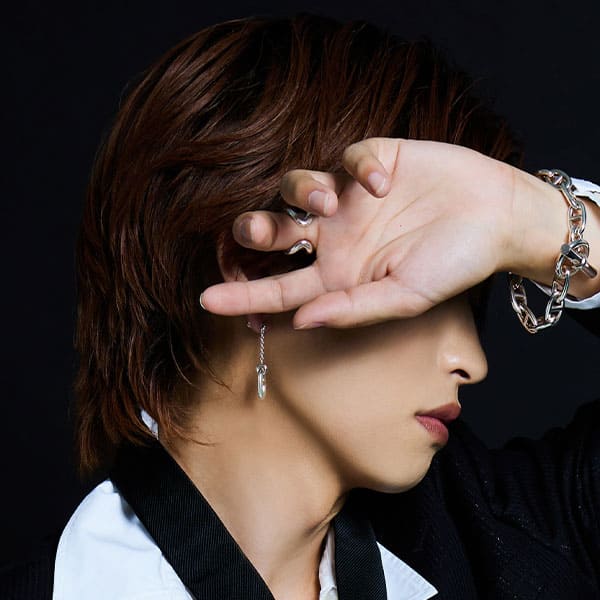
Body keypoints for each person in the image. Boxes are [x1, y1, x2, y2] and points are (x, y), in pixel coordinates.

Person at [2, 12, 600, 600]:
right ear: (253, 262)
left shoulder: (500, 534)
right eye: (414, 285)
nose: (473, 360)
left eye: (467, 297)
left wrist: (535, 220)